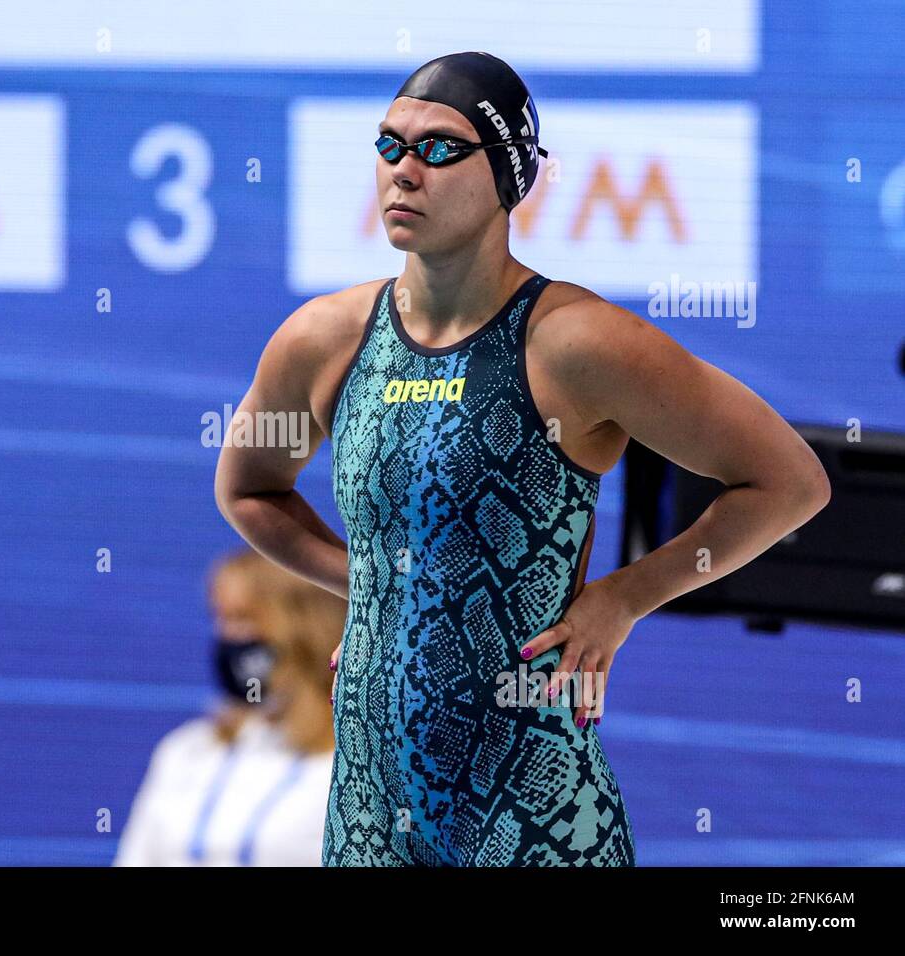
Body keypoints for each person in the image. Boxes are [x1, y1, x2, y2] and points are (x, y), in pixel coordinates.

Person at [213, 51, 831, 866]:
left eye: (439, 149)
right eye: (389, 145)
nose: (404, 170)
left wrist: (624, 598)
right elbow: (249, 491)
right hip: (369, 814)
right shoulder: (326, 340)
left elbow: (790, 482)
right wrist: (375, 589)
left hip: (534, 821)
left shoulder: (576, 343)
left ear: (508, 179)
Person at [113, 546, 342, 866]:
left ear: (306, 629)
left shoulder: (348, 768)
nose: (226, 637)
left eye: (242, 619)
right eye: (220, 619)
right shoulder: (188, 750)